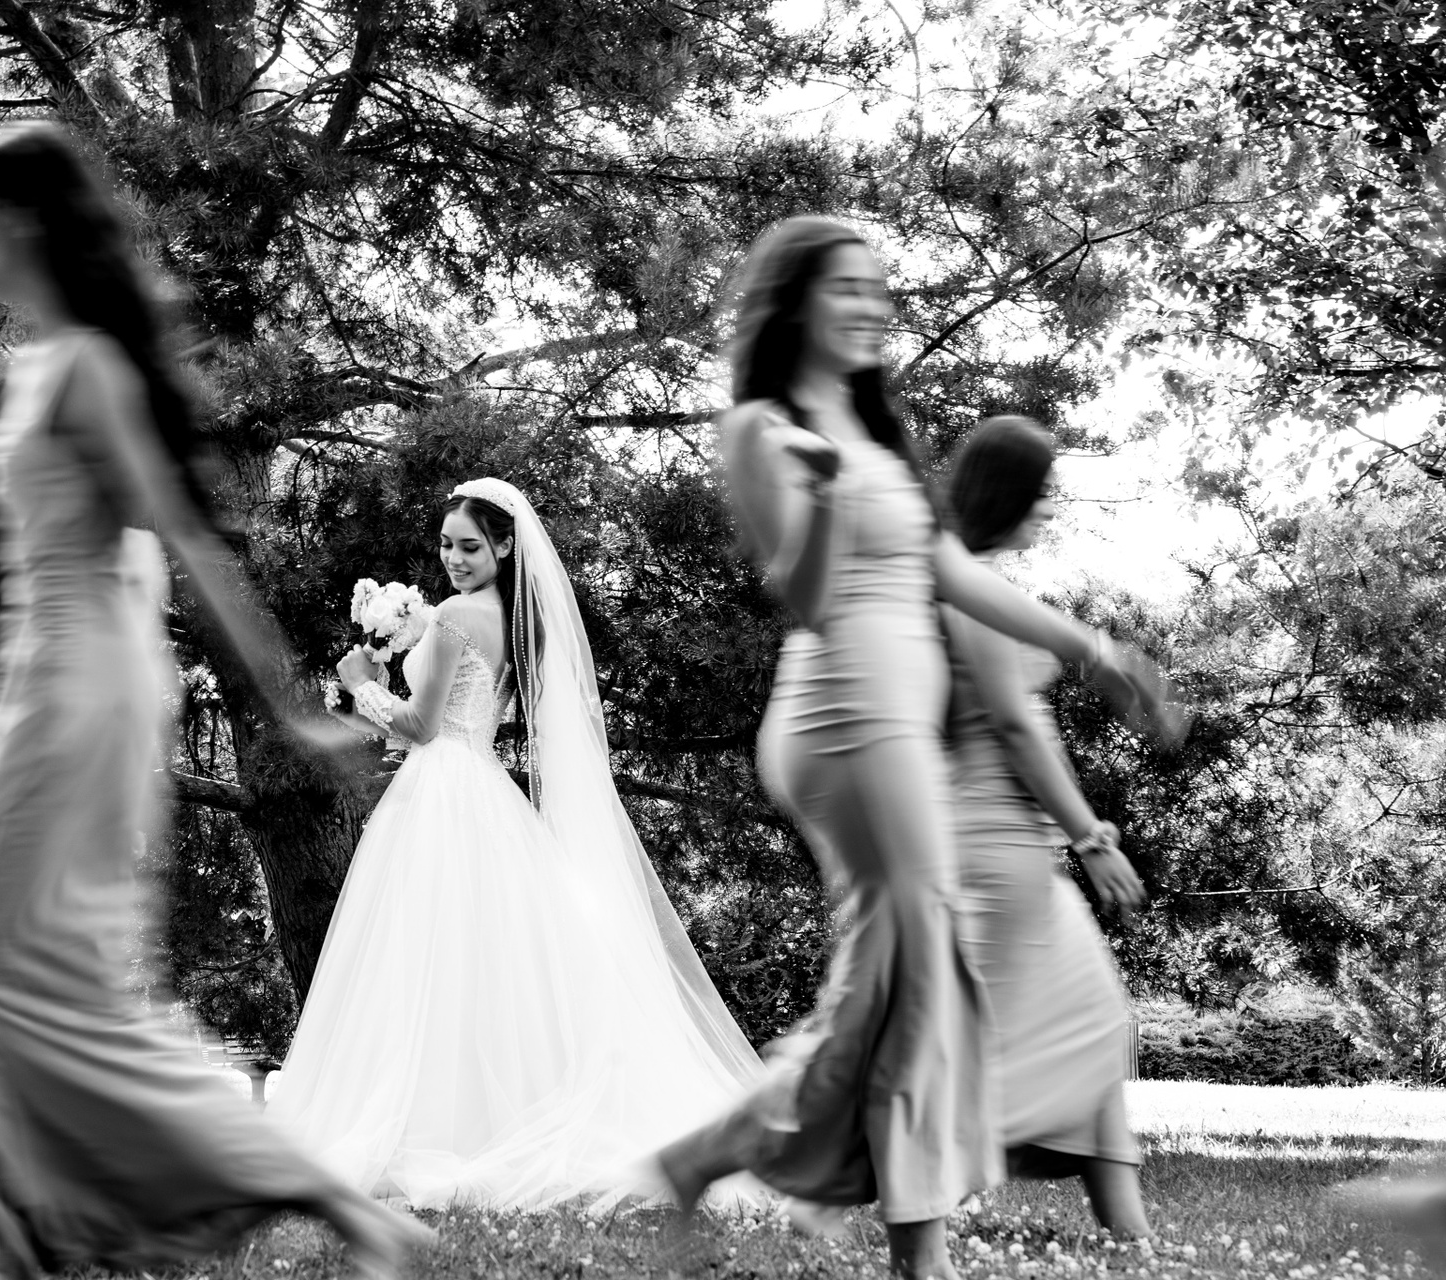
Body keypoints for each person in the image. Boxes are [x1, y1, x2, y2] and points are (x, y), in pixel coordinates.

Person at [0, 121, 431, 1280]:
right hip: (37, 686)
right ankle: (15, 1236)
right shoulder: (29, 367)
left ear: (27, 224)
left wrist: (291, 710)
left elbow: (188, 541)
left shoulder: (89, 368)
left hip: (85, 690)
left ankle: (276, 1182)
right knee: (12, 979)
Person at [652, 217, 1183, 1280]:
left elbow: (952, 572)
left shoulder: (869, 428)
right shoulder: (761, 426)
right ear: (794, 303)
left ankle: (719, 1155)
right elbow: (807, 597)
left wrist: (1088, 648)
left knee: (903, 974)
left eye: (878, 289)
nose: (871, 307)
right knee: (922, 969)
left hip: (890, 715)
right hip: (846, 712)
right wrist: (823, 498)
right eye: (846, 288)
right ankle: (907, 1244)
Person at [266, 479, 764, 1209]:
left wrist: (357, 682)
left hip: (442, 795)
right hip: (480, 789)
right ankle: (478, 1120)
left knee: (426, 960)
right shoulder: (512, 618)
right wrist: (367, 697)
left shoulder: (456, 615)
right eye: (446, 545)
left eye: (470, 546)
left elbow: (421, 728)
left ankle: (430, 1125)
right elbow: (440, 724)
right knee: (476, 960)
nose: (454, 558)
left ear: (504, 545)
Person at [942, 415, 1151, 1237]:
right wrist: (1091, 840)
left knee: (1086, 1024)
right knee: (992, 1042)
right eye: (1041, 493)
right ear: (1007, 494)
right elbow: (1015, 729)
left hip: (1016, 846)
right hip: (984, 845)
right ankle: (889, 1183)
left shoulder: (980, 584)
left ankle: (1131, 1235)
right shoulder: (968, 590)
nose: (1051, 509)